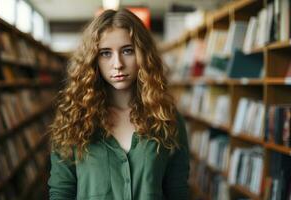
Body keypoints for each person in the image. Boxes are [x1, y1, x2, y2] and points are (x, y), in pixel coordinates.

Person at [48, 8, 189, 200]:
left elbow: (178, 190)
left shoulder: (166, 117)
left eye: (128, 51)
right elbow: (61, 192)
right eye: (106, 53)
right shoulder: (73, 118)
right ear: (93, 59)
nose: (118, 64)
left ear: (143, 55)